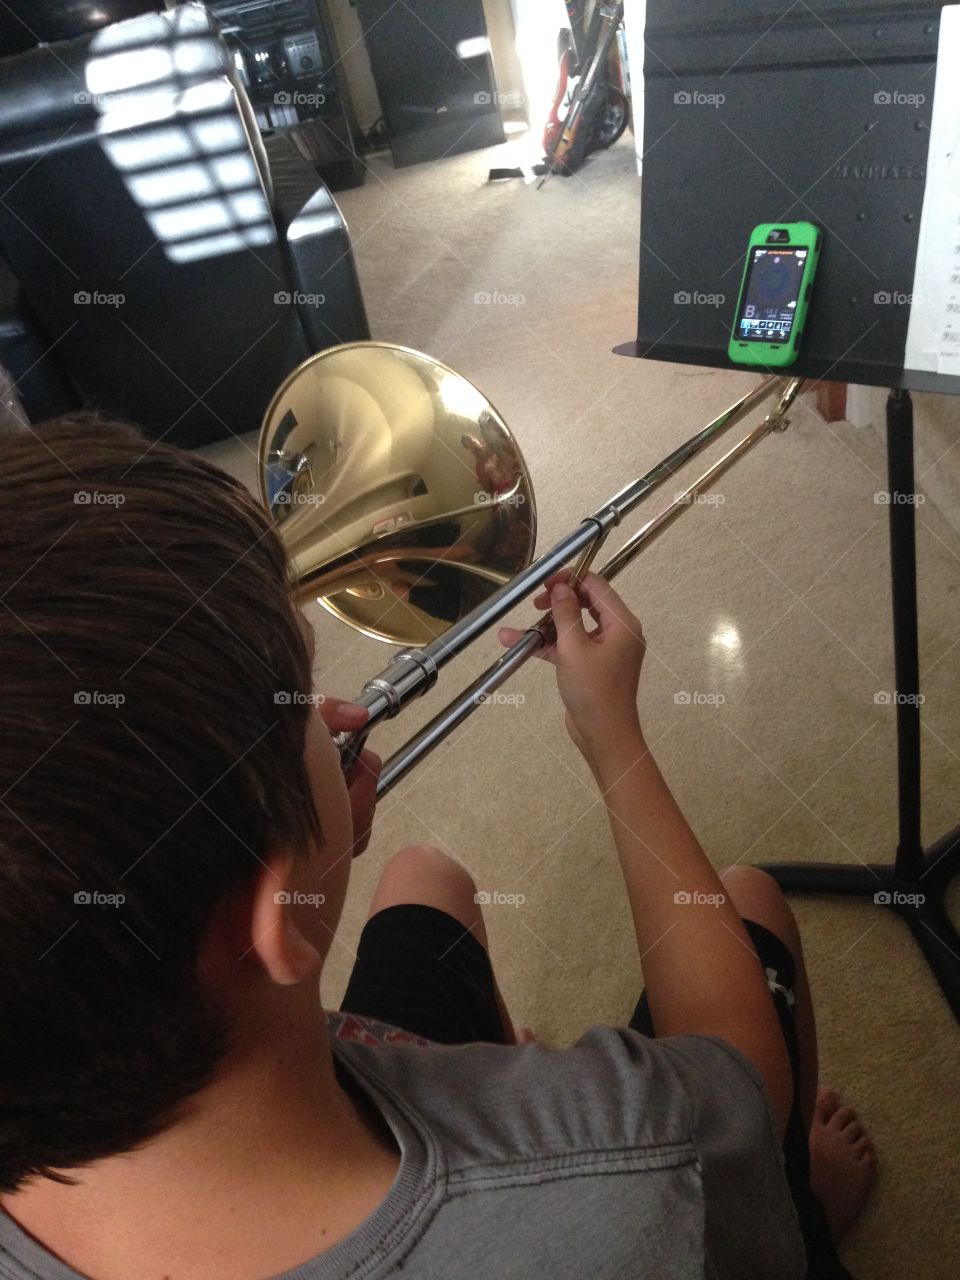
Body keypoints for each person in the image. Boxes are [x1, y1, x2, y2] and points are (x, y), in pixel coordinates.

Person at [0, 414, 875, 1280]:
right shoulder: (637, 1163)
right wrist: (612, 735)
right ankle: (792, 1205)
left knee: (423, 876)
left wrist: (308, 850)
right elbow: (741, 1081)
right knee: (747, 897)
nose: (326, 710)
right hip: (562, 1181)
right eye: (297, 698)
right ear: (267, 916)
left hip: (296, 1089)